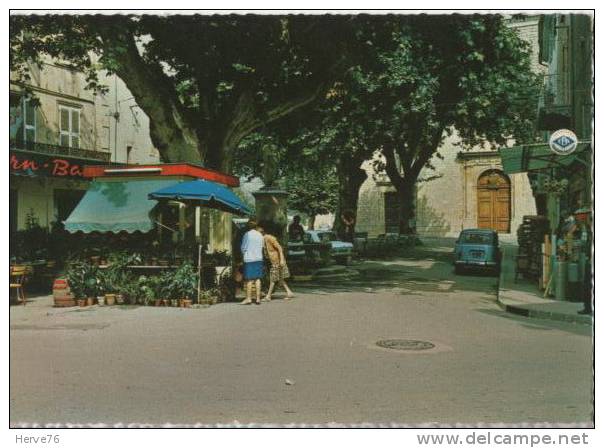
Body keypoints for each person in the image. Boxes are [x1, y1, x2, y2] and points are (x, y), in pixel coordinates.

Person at [260, 222, 294, 301]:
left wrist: (281, 259)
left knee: (273, 278)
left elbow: (279, 248)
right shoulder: (264, 238)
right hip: (273, 261)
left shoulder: (270, 238)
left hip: (277, 261)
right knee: (280, 278)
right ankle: (289, 292)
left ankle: (268, 296)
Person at [240, 218, 265, 305]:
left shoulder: (247, 234)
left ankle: (248, 298)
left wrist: (243, 254)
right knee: (258, 278)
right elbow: (262, 246)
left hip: (249, 258)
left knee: (249, 279)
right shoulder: (260, 235)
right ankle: (258, 298)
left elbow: (243, 247)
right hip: (258, 258)